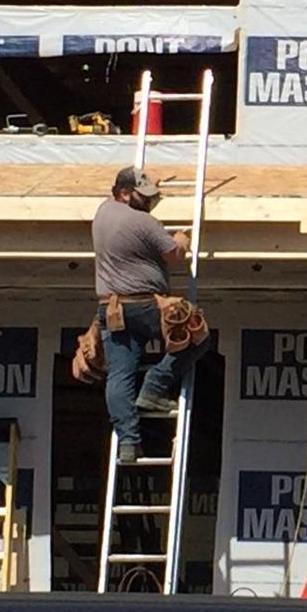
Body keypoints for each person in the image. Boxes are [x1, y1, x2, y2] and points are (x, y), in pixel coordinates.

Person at [93, 166, 203, 462]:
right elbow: (174, 256)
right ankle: (155, 385)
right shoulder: (144, 222)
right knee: (195, 334)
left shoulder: (102, 213)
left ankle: (128, 442)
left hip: (110, 308)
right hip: (143, 305)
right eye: (145, 196)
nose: (150, 201)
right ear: (125, 193)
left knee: (119, 375)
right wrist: (181, 240)